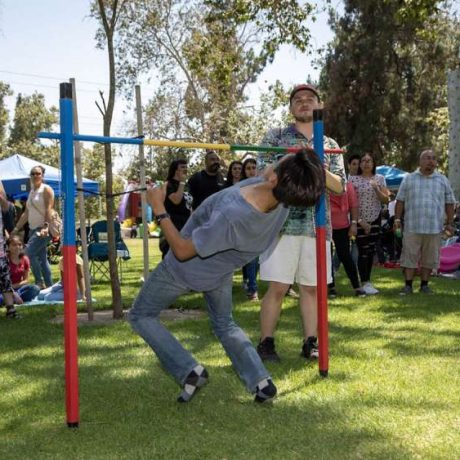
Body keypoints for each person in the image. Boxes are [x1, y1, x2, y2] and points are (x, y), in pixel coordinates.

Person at [128, 150, 325, 404]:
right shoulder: (283, 199)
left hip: (184, 269)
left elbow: (182, 250)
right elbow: (281, 173)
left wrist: (158, 207)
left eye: (279, 163)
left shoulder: (235, 216)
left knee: (140, 315)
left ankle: (189, 370)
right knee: (224, 324)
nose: (273, 163)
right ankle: (261, 382)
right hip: (220, 271)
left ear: (277, 179)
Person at [256, 83, 345, 362]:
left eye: (310, 99)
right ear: (291, 107)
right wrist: (290, 158)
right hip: (281, 225)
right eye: (298, 99)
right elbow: (263, 175)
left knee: (311, 288)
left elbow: (340, 187)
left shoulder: (330, 145)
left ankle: (311, 342)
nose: (304, 102)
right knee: (278, 287)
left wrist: (317, 164)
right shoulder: (275, 137)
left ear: (319, 105)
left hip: (318, 226)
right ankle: (266, 343)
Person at [395, 149, 456, 295]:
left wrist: (449, 223)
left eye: (434, 158)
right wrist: (397, 219)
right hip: (412, 226)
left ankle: (424, 285)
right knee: (409, 256)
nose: (431, 161)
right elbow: (400, 201)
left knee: (430, 259)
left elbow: (450, 203)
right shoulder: (409, 178)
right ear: (420, 161)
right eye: (427, 158)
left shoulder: (443, 180)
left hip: (434, 227)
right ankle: (408, 286)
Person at [349, 153, 389, 295]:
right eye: (363, 161)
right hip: (359, 219)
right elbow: (350, 203)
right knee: (363, 250)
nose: (366, 163)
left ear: (373, 163)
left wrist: (376, 189)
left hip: (376, 218)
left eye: (369, 161)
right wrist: (359, 220)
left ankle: (367, 281)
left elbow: (386, 200)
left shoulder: (380, 179)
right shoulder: (353, 180)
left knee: (371, 250)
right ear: (360, 164)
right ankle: (364, 282)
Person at [12, 165, 54, 289]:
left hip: (43, 229)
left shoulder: (46, 189)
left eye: (38, 173)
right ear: (30, 175)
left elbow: (49, 209)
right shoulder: (32, 191)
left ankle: (39, 283)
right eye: (33, 173)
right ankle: (49, 287)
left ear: (42, 175)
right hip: (32, 229)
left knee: (27, 253)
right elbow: (26, 213)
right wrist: (16, 229)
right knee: (42, 258)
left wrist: (46, 227)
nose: (36, 175)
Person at [328, 180, 366, 297]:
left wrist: (354, 224)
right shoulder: (320, 182)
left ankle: (357, 286)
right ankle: (331, 287)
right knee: (326, 257)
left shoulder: (347, 184)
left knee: (345, 256)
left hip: (342, 226)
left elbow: (353, 205)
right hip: (324, 226)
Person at [159, 159, 193, 258]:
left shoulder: (186, 186)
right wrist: (182, 183)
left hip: (186, 226)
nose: (185, 169)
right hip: (172, 226)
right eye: (182, 167)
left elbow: (189, 205)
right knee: (170, 256)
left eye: (186, 167)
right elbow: (176, 200)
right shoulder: (168, 184)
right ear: (175, 170)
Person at [0, 235, 40, 305]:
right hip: (4, 290)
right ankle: (13, 299)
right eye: (14, 245)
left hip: (18, 289)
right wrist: (13, 292)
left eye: (19, 244)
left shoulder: (25, 259)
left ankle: (12, 300)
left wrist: (14, 289)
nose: (17, 247)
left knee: (35, 288)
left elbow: (26, 280)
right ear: (8, 247)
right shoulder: (4, 260)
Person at [240, 158, 259, 300]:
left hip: (261, 225)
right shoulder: (240, 187)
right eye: (248, 168)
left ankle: (248, 280)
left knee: (257, 260)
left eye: (254, 167)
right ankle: (253, 290)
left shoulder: (263, 184)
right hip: (246, 226)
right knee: (252, 259)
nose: (252, 171)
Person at [0, 182, 18, 318]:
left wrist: (1, 198)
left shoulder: (4, 204)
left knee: (5, 280)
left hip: (0, 249)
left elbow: (8, 210)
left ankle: (11, 310)